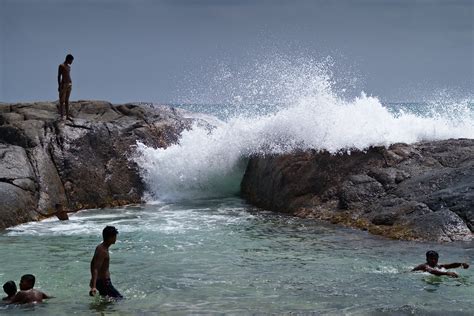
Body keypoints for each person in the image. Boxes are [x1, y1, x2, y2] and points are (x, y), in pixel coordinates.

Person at [89, 226, 123, 299]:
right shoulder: (102, 251)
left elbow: (92, 263)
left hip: (102, 282)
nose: (115, 238)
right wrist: (94, 286)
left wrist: (93, 280)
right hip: (104, 282)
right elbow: (95, 268)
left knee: (107, 301)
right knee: (119, 299)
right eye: (114, 236)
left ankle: (99, 310)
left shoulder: (101, 247)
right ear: (110, 237)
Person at [57, 54, 74, 120]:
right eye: (71, 60)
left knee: (67, 100)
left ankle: (67, 116)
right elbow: (59, 76)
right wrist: (59, 85)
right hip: (63, 84)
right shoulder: (61, 66)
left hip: (69, 84)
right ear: (68, 59)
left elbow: (68, 75)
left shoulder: (69, 67)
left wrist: (71, 83)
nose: (72, 62)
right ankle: (61, 116)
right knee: (62, 101)